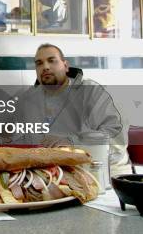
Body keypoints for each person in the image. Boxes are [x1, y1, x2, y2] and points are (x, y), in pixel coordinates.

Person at [23, 43, 130, 176]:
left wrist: (73, 143)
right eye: (39, 63)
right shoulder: (29, 99)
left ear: (66, 66)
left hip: (103, 173)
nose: (45, 67)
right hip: (54, 174)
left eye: (52, 61)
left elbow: (116, 138)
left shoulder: (92, 92)